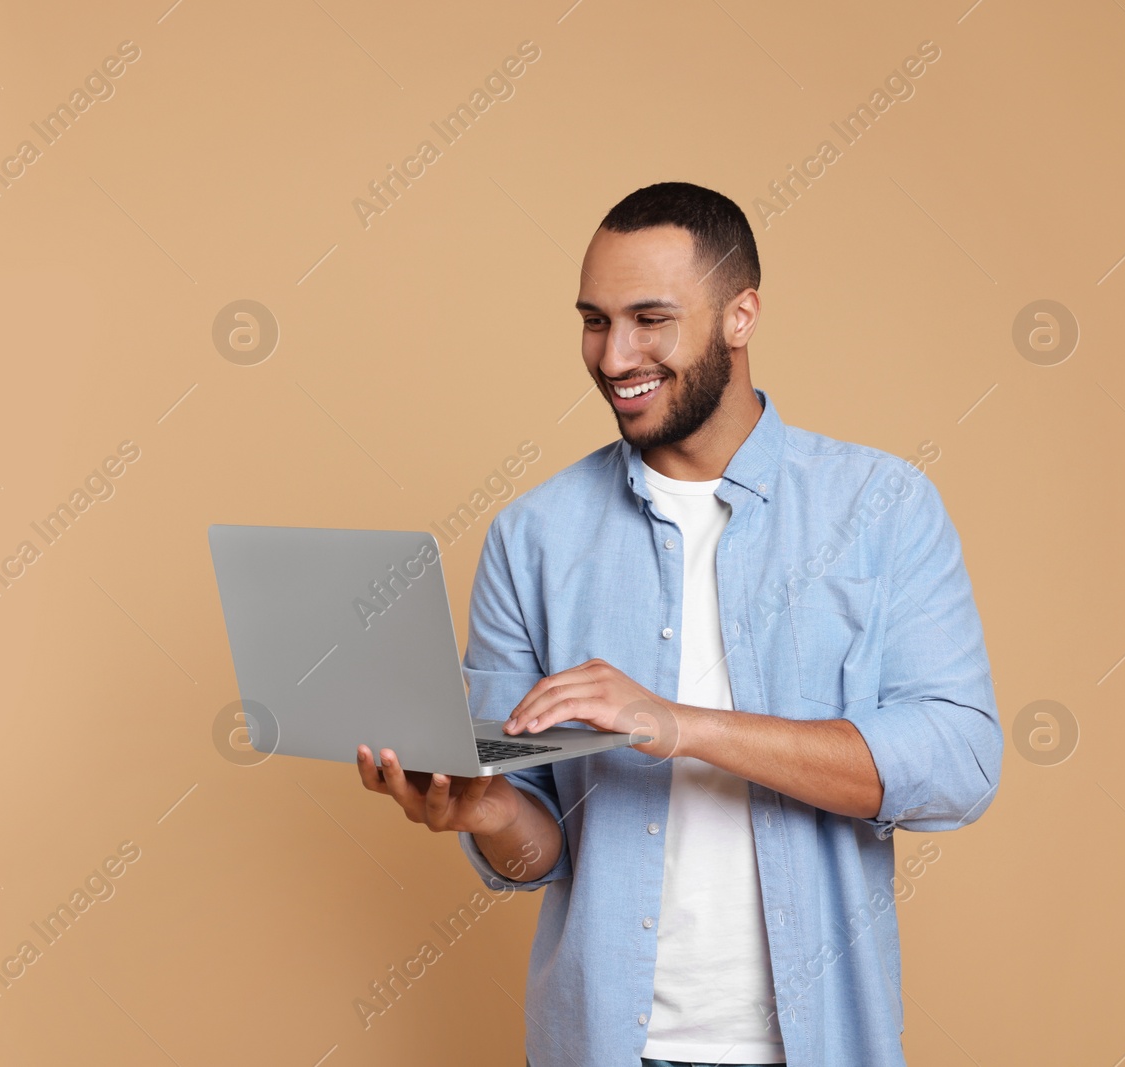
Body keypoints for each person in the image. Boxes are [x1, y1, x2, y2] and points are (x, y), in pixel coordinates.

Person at [355, 181, 1001, 1067]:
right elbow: (537, 853)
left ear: (742, 315)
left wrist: (682, 726)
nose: (616, 355)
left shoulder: (882, 506)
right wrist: (490, 809)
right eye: (594, 320)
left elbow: (958, 764)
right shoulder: (532, 537)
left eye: (649, 318)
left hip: (817, 1045)